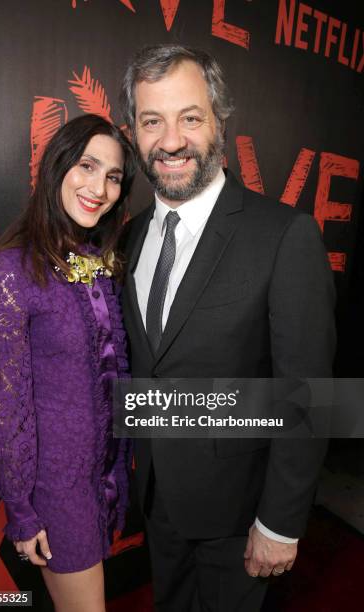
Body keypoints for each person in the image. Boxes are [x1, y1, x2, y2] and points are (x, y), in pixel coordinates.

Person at [119, 44, 336, 611]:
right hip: (159, 504)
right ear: (133, 132)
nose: (170, 141)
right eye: (152, 121)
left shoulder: (285, 235)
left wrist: (281, 523)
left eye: (189, 117)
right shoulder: (129, 236)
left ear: (219, 119)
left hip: (243, 522)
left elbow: (310, 394)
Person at [0, 114, 135, 612]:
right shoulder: (13, 269)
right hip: (57, 487)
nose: (100, 188)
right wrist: (21, 510)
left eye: (113, 176)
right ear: (57, 166)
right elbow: (7, 406)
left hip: (102, 477)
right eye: (87, 166)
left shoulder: (98, 258)